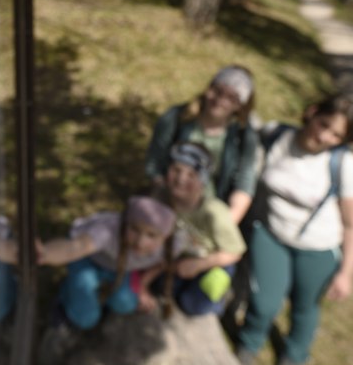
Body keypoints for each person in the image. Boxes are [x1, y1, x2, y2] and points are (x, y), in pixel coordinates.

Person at [235, 94, 353, 365]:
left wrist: (346, 273)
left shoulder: (345, 166)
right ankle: (249, 346)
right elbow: (243, 134)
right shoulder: (276, 137)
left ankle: (294, 358)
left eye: (336, 135)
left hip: (319, 248)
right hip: (271, 234)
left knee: (305, 308)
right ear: (311, 112)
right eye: (323, 124)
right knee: (264, 302)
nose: (324, 137)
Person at [38, 196, 180, 330]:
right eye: (134, 229)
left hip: (120, 267)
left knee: (126, 304)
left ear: (165, 237)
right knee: (86, 319)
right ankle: (65, 299)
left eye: (152, 235)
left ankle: (94, 299)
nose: (140, 242)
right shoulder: (107, 230)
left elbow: (163, 263)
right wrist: (43, 253)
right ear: (125, 222)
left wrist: (143, 284)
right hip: (87, 259)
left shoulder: (174, 245)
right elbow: (74, 248)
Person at [145, 65, 259, 228]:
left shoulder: (243, 137)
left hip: (209, 213)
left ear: (241, 105)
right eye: (217, 91)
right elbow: (154, 164)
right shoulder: (176, 118)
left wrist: (222, 226)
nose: (220, 101)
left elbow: (244, 185)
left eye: (231, 98)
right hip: (168, 201)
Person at [157, 142, 246, 316]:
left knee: (192, 305)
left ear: (203, 181)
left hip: (213, 261)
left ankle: (219, 301)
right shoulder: (161, 199)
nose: (181, 179)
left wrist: (199, 265)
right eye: (176, 170)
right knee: (162, 288)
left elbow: (235, 252)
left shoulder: (214, 212)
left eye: (191, 174)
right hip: (180, 256)